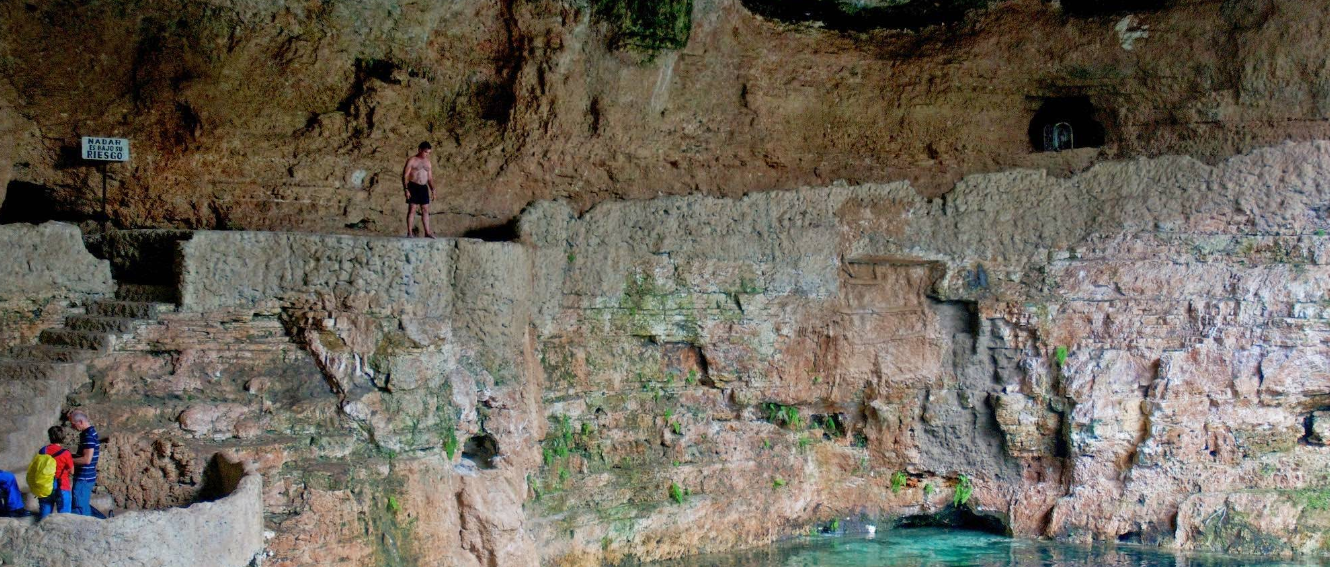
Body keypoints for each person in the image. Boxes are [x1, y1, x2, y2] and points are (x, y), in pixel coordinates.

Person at [36, 426, 74, 518]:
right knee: (65, 517)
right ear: (63, 437)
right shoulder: (66, 453)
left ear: (50, 436)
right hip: (62, 486)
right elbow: (72, 471)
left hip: (46, 485)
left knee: (44, 516)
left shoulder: (43, 450)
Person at [67, 410, 99, 516]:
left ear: (80, 422)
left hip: (83, 477)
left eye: (73, 424)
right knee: (82, 505)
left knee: (80, 509)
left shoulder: (88, 436)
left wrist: (68, 460)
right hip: (87, 476)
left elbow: (86, 459)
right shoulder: (90, 432)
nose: (72, 427)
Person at [402, 141, 436, 238]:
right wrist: (406, 189)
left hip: (423, 187)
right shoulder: (412, 160)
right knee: (412, 209)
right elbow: (405, 176)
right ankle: (409, 232)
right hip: (413, 186)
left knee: (425, 209)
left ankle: (427, 232)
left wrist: (433, 189)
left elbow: (430, 178)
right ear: (419, 150)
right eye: (425, 152)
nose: (427, 154)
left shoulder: (428, 162)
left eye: (428, 152)